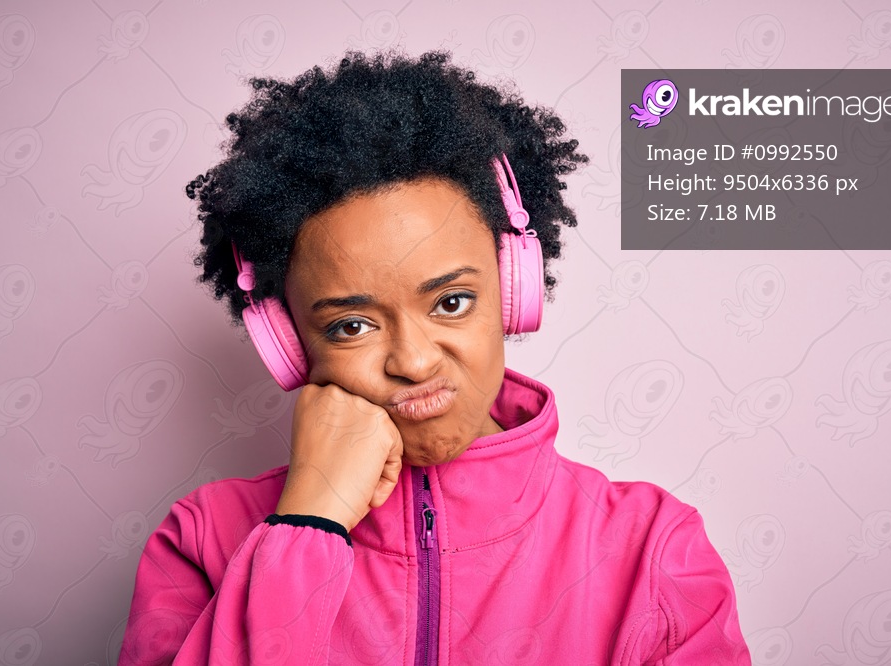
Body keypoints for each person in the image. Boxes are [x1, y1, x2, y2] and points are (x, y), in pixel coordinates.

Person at [119, 50, 750, 665]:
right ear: (287, 342)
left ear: (513, 291)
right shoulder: (201, 542)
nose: (414, 363)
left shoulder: (652, 549)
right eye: (353, 324)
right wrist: (309, 522)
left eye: (450, 302)